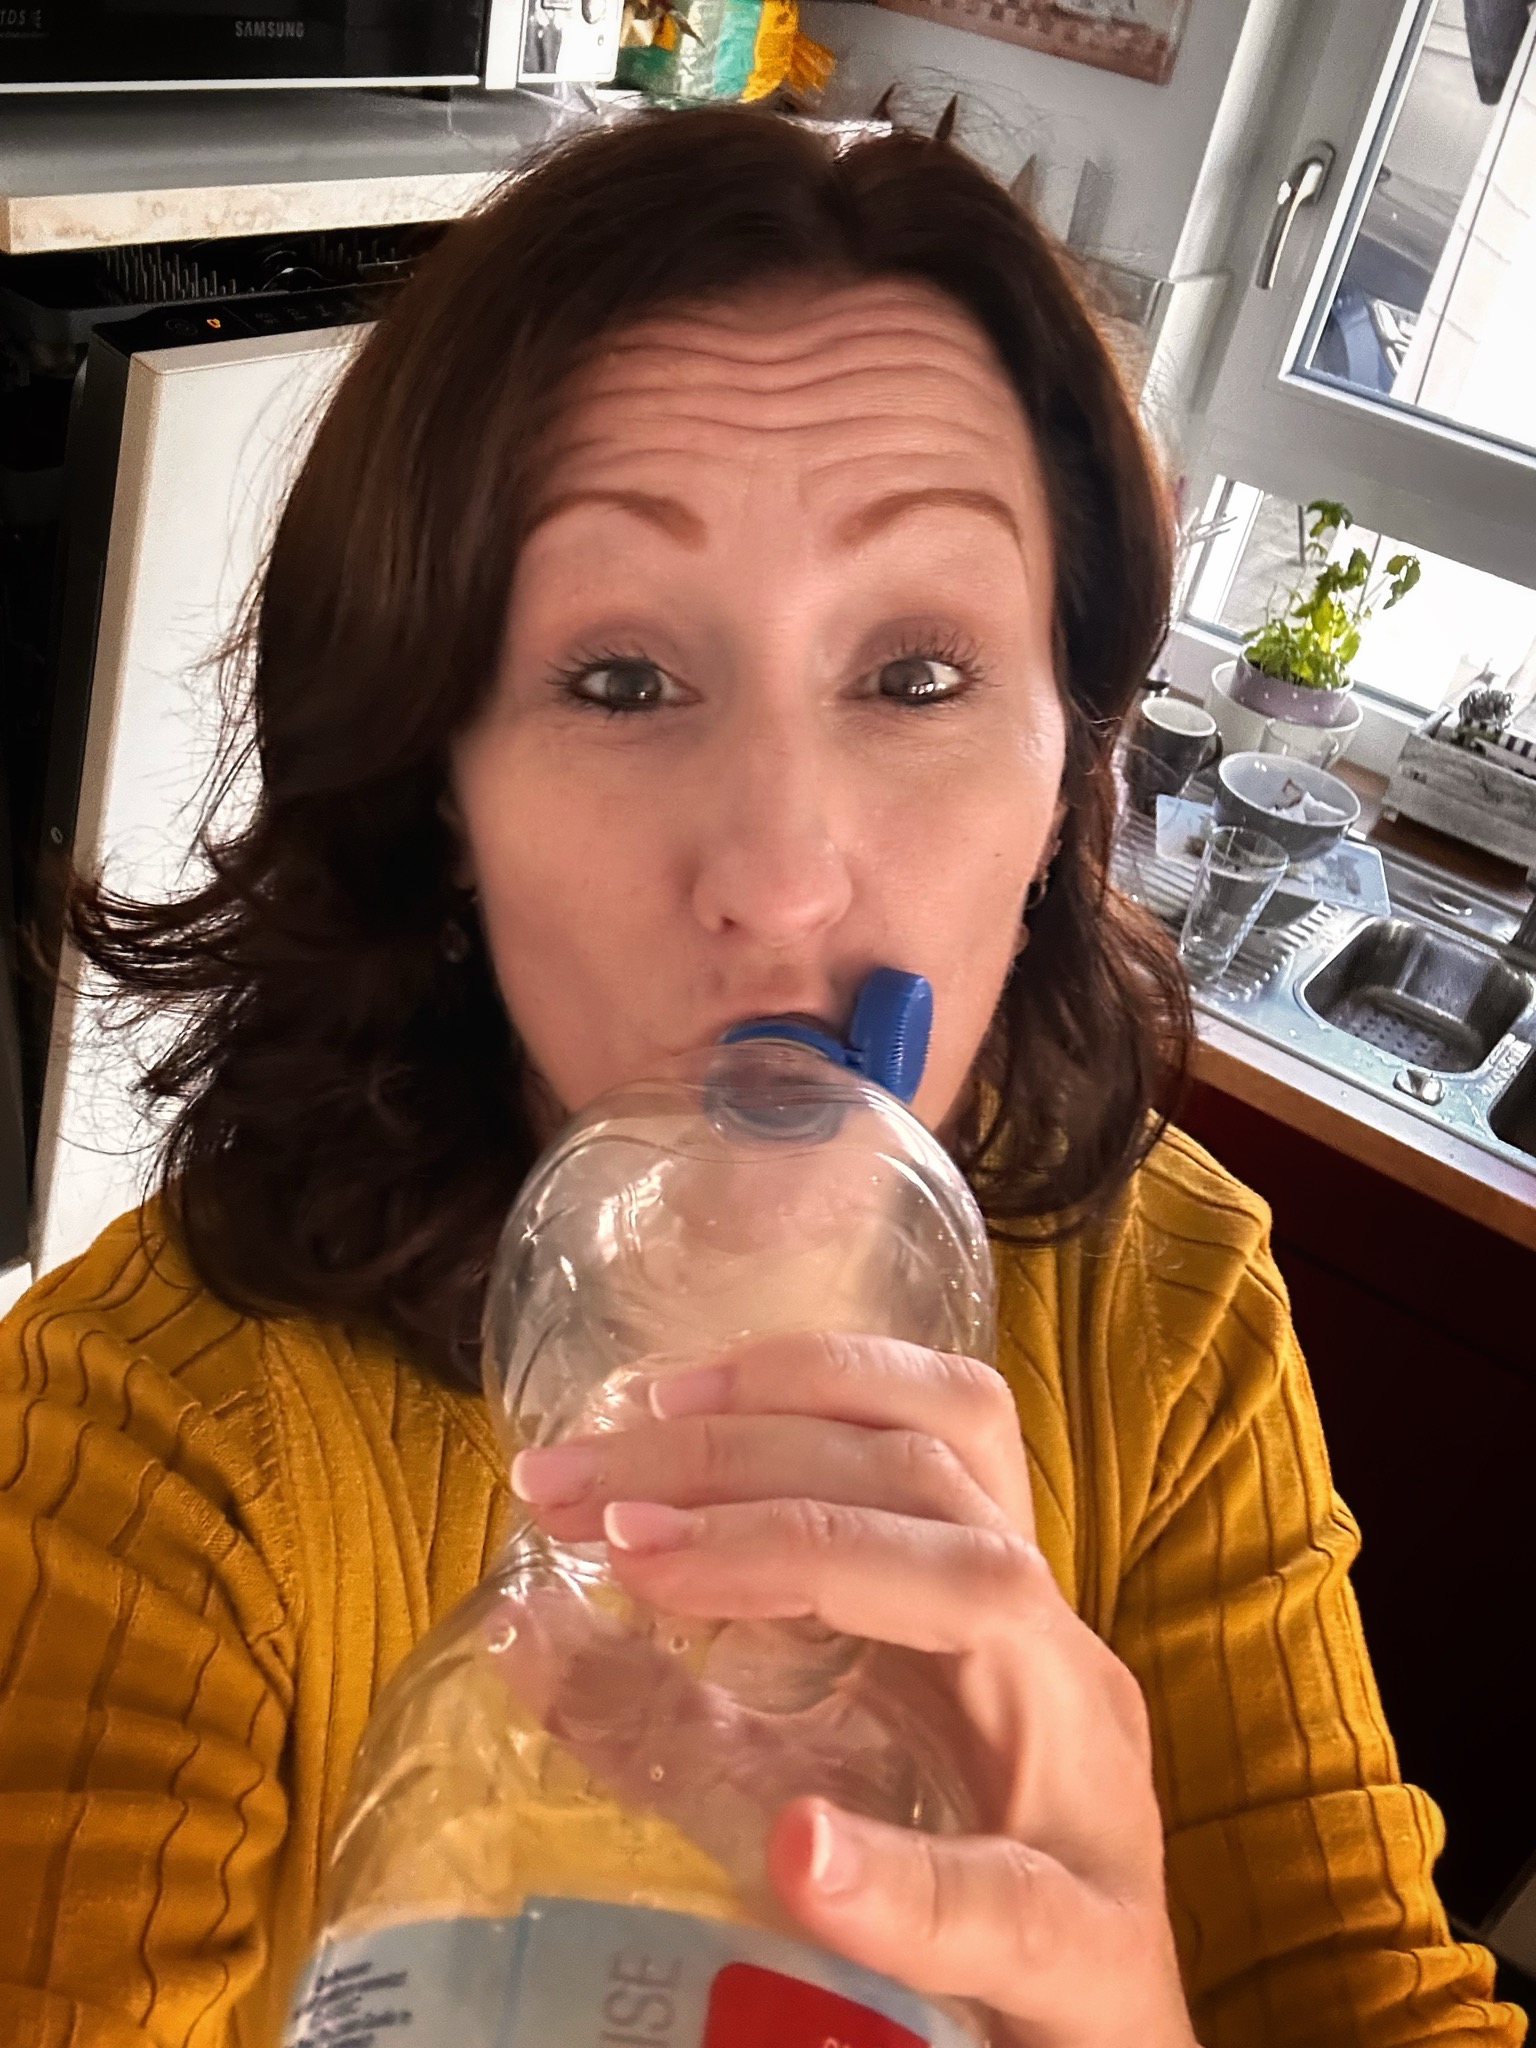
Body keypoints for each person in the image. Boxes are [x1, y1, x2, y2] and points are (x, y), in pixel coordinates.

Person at [0, 107, 1519, 2048]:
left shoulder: (1168, 1302)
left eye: (917, 675)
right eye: (623, 680)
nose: (781, 878)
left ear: (1071, 774)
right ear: (440, 795)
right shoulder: (138, 1449)